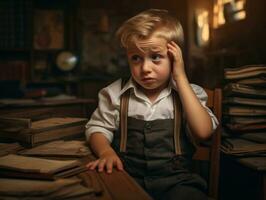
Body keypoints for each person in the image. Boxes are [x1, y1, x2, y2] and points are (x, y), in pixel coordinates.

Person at [85, 9, 218, 200]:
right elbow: (97, 127)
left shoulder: (190, 94)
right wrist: (105, 151)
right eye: (136, 58)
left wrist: (180, 76)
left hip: (178, 183)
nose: (145, 68)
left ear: (175, 57)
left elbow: (203, 131)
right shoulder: (114, 93)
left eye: (156, 57)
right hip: (128, 178)